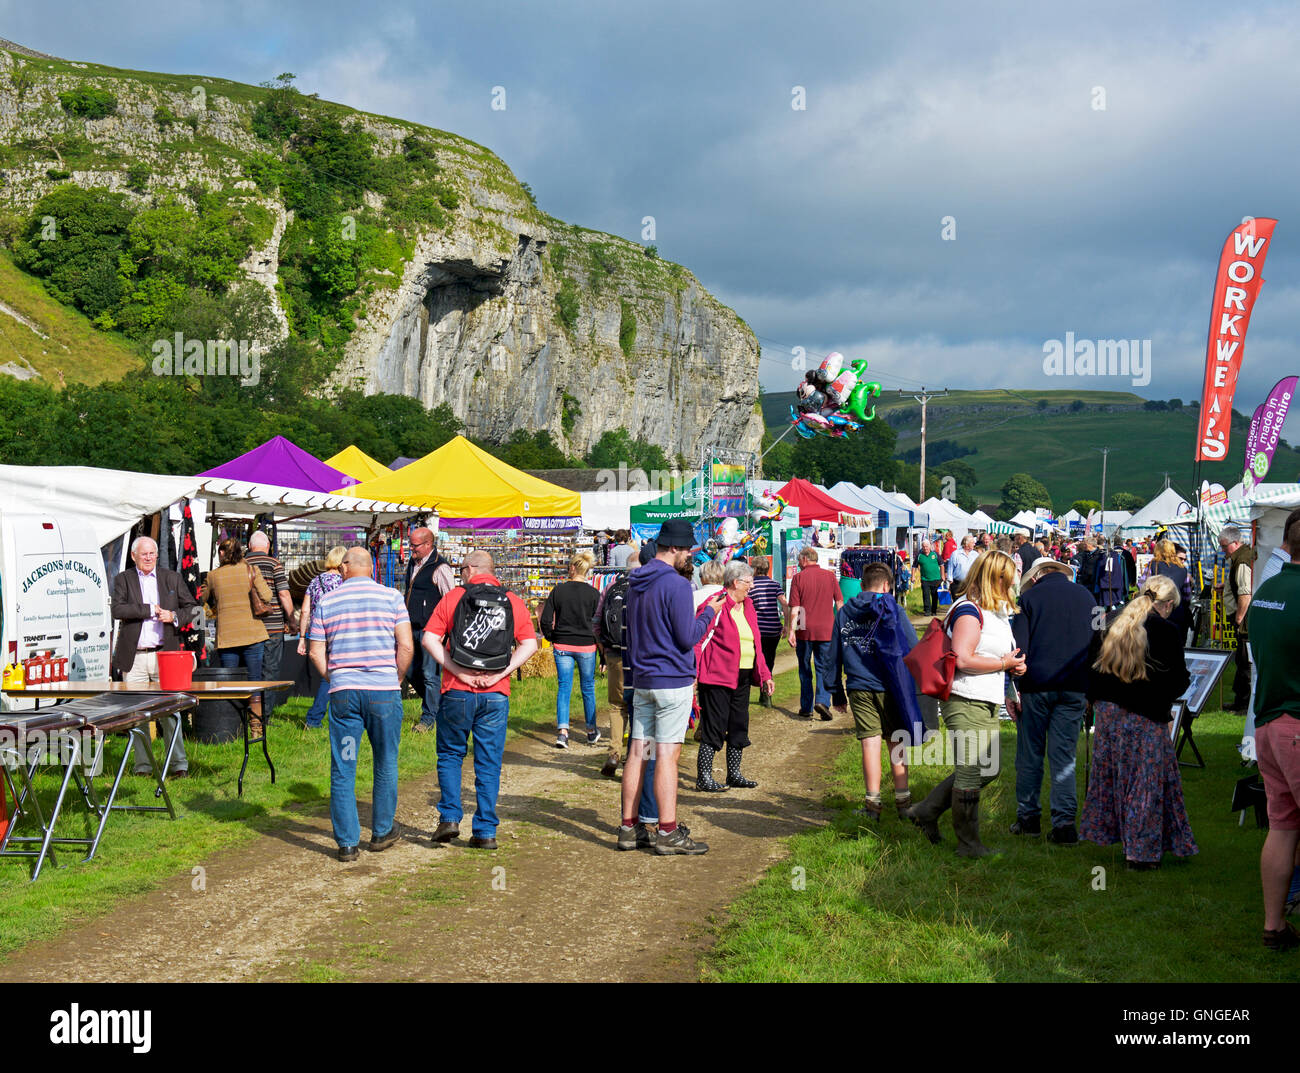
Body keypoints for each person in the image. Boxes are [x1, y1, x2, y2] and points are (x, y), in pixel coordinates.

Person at [908, 551, 1025, 857]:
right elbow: (962, 658)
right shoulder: (969, 611)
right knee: (972, 771)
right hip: (964, 697)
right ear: (995, 579)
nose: (1013, 585)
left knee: (988, 769)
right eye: (1009, 580)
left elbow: (994, 656)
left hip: (985, 698)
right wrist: (1002, 663)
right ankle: (969, 844)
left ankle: (926, 811)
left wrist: (1011, 667)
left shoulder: (993, 611)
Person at [620, 519, 724, 855]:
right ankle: (667, 831)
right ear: (675, 548)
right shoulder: (678, 586)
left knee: (638, 752)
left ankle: (628, 827)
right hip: (672, 681)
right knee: (666, 754)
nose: (689, 556)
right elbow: (687, 637)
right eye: (688, 550)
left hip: (643, 678)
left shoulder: (635, 582)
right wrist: (709, 612)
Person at [1080, 574, 1195, 870]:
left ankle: (1124, 839)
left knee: (1115, 776)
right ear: (1167, 604)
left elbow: (1090, 669)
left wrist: (1094, 700)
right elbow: (1177, 679)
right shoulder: (1165, 630)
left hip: (1109, 714)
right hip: (1145, 714)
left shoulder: (1109, 622)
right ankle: (1140, 853)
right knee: (1145, 782)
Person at [425, 550, 538, 850]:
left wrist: (456, 671)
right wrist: (505, 671)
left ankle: (449, 817)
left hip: (456, 691)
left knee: (450, 754)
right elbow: (530, 643)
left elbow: (429, 639)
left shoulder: (453, 598)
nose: (460, 573)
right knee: (489, 762)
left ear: (471, 569)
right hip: (496, 692)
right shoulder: (512, 600)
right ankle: (486, 831)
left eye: (462, 568)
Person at [308, 546, 413, 861]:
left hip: (345, 697)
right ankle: (381, 831)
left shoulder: (327, 601)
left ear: (345, 568)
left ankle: (347, 843)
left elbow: (315, 651)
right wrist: (394, 679)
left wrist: (335, 677)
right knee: (385, 759)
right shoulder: (392, 597)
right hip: (383, 692)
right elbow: (406, 645)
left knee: (345, 764)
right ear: (372, 568)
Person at [1008, 557, 1096, 843]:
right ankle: (1064, 823)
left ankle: (1029, 818)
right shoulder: (1087, 596)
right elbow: (1099, 644)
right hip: (1075, 686)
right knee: (1064, 756)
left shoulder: (1028, 598)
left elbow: (1019, 648)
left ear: (1035, 576)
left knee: (1031, 753)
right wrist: (1092, 690)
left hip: (1037, 685)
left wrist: (1015, 688)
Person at [829, 561, 920, 821]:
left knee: (870, 742)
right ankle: (904, 803)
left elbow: (833, 654)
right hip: (892, 685)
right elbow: (912, 647)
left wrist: (836, 690)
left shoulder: (845, 612)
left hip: (858, 685)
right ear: (886, 586)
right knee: (896, 741)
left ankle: (873, 806)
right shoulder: (895, 609)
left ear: (862, 585)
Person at [1246, 509, 1300, 950]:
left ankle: (1274, 925)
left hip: (1268, 722)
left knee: (1282, 827)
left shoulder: (1266, 592)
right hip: (1297, 724)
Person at [111, 535, 199, 778]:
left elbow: (194, 608)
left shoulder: (171, 577)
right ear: (133, 556)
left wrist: (174, 616)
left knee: (171, 712)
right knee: (138, 714)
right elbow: (117, 609)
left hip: (165, 656)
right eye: (144, 554)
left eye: (152, 554)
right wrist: (148, 610)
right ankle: (143, 766)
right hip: (135, 657)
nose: (149, 558)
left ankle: (178, 764)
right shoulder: (123, 579)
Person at [694, 560, 774, 792]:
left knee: (739, 725)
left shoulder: (748, 606)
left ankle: (734, 774)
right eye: (748, 582)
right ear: (735, 582)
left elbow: (755, 642)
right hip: (716, 676)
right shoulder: (716, 604)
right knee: (714, 726)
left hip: (743, 676)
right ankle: (704, 777)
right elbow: (699, 639)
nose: (752, 586)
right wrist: (693, 674)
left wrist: (765, 674)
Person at [204, 537, 274, 737]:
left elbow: (202, 598)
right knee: (254, 682)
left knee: (230, 682)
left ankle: (230, 726)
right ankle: (256, 728)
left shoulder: (213, 575)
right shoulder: (251, 570)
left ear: (221, 554)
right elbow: (267, 596)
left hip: (227, 636)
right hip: (253, 634)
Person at [541, 551, 601, 749]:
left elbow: (545, 619)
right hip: (586, 646)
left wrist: (552, 637)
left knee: (564, 688)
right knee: (588, 688)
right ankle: (591, 731)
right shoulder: (594, 594)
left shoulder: (559, 590)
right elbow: (598, 624)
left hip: (563, 645)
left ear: (573, 568)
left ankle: (563, 733)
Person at [405, 528, 457, 734]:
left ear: (428, 544)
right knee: (409, 670)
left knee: (429, 674)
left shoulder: (440, 567)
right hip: (412, 627)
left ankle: (428, 718)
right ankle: (438, 706)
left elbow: (450, 599)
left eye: (415, 545)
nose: (411, 549)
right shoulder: (413, 563)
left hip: (432, 630)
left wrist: (444, 630)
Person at [787, 546, 844, 720]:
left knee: (805, 668)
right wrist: (839, 625)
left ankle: (806, 707)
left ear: (804, 559)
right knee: (824, 667)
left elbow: (795, 608)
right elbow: (840, 602)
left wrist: (791, 630)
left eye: (798, 559)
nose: (798, 562)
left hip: (804, 627)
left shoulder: (798, 578)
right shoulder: (830, 576)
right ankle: (822, 701)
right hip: (827, 628)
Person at [245, 531, 296, 714]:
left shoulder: (241, 564)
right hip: (273, 627)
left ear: (250, 546)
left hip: (249, 627)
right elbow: (283, 593)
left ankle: (250, 712)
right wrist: (291, 620)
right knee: (271, 670)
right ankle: (264, 715)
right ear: (267, 547)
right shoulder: (274, 563)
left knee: (250, 672)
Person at [594, 557, 635, 777]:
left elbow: (597, 620)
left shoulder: (611, 586)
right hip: (642, 656)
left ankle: (614, 753)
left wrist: (604, 650)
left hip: (615, 653)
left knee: (617, 706)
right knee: (641, 706)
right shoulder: (649, 586)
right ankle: (636, 758)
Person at [296, 545, 346, 729]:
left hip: (318, 633)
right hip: (339, 631)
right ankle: (317, 717)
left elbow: (305, 611)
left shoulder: (315, 581)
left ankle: (315, 718)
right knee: (335, 675)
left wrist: (302, 637)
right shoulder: (345, 581)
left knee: (328, 675)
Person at [1219, 526, 1256, 712]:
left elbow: (1245, 593)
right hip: (1243, 619)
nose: (1223, 550)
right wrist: (1225, 585)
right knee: (1241, 661)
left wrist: (1239, 618)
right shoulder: (1240, 558)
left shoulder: (1241, 561)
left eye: (1224, 546)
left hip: (1245, 620)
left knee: (1244, 661)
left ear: (1235, 543)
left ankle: (1244, 704)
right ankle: (1240, 700)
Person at [748, 556, 788, 708]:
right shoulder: (775, 584)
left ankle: (748, 692)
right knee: (769, 661)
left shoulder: (751, 586)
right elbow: (785, 603)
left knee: (754, 661)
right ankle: (766, 695)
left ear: (755, 569)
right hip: (773, 630)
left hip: (757, 630)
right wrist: (787, 625)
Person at [1142, 539, 1193, 642]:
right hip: (1177, 610)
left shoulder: (1153, 564)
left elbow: (1142, 586)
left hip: (1155, 609)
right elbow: (1187, 594)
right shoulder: (1182, 568)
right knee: (1177, 644)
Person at [916, 540, 943, 616]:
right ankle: (927, 611)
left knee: (934, 595)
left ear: (930, 546)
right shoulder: (920, 555)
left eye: (926, 546)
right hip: (925, 579)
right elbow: (914, 566)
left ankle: (934, 610)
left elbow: (942, 565)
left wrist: (943, 575)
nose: (925, 548)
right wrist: (913, 577)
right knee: (926, 595)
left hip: (936, 578)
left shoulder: (935, 554)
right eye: (924, 546)